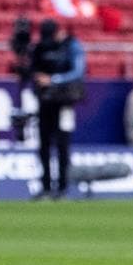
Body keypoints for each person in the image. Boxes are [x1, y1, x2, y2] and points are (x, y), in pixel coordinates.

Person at [30, 19, 87, 199]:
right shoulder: (40, 48)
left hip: (64, 101)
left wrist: (53, 79)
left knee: (63, 145)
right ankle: (46, 186)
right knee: (44, 145)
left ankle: (62, 188)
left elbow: (78, 72)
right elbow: (32, 69)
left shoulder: (71, 45)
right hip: (45, 101)